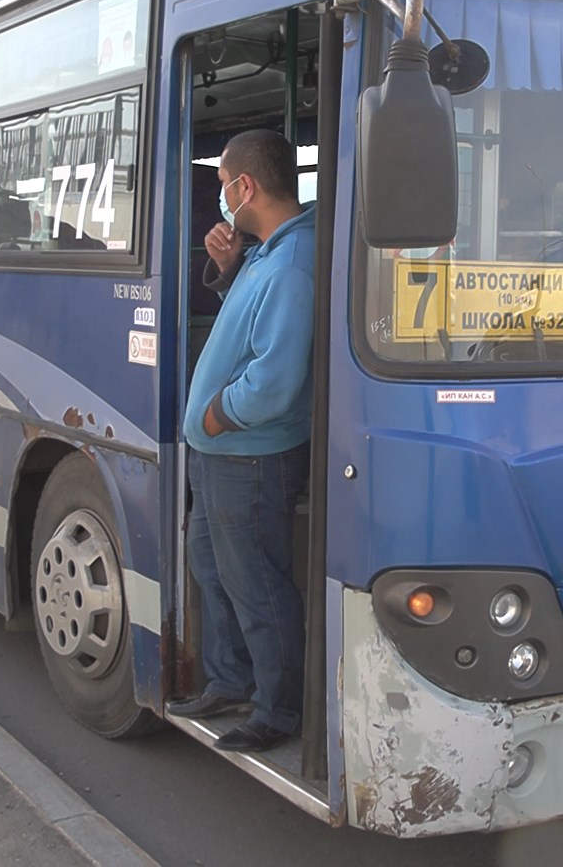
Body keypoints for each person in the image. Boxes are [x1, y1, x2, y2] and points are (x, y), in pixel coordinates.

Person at [174, 129, 317, 753]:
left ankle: (278, 709)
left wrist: (213, 417)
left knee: (257, 584)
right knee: (213, 567)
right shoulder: (266, 251)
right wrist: (229, 267)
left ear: (245, 186)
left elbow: (273, 384)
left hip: (249, 456)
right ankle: (230, 681)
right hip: (221, 456)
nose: (223, 195)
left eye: (224, 182)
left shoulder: (291, 263)